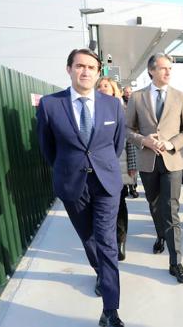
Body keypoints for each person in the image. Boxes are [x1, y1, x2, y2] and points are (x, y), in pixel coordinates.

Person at [36, 48, 125, 327]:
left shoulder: (112, 105)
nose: (85, 72)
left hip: (106, 182)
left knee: (107, 242)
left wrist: (102, 166)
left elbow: (117, 144)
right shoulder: (50, 105)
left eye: (91, 67)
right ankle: (100, 271)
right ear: (69, 69)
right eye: (79, 66)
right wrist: (69, 168)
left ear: (98, 72)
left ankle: (110, 310)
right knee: (88, 237)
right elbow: (47, 148)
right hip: (72, 183)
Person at [125, 53, 183, 283]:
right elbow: (127, 129)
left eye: (170, 69)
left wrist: (171, 143)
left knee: (171, 208)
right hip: (148, 161)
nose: (168, 72)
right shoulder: (137, 97)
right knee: (155, 204)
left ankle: (176, 263)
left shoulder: (180, 97)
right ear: (151, 71)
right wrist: (143, 140)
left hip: (173, 161)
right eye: (163, 68)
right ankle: (160, 235)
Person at [97, 77, 137, 261]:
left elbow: (130, 141)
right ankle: (107, 240)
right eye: (99, 86)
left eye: (105, 85)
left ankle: (120, 241)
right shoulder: (92, 110)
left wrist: (132, 166)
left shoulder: (123, 110)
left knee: (119, 202)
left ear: (114, 90)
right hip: (97, 166)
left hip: (118, 165)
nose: (101, 88)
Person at [121, 85, 139, 199]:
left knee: (133, 163)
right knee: (124, 164)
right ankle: (125, 187)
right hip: (124, 134)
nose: (128, 94)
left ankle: (133, 187)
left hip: (133, 135)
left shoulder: (136, 103)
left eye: (129, 92)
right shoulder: (119, 103)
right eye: (126, 92)